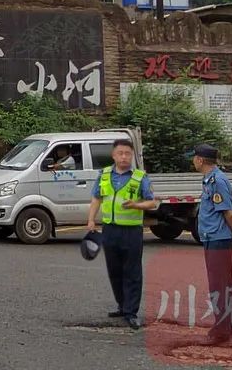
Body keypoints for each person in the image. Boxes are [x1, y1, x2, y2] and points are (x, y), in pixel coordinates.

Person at [87, 139, 156, 330]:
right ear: (114, 155)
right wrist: (91, 219)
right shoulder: (104, 175)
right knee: (114, 270)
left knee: (132, 272)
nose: (124, 157)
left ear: (132, 156)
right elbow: (96, 198)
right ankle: (122, 305)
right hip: (110, 229)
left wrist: (136, 205)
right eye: (120, 153)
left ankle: (131, 312)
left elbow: (152, 203)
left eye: (127, 153)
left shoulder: (140, 177)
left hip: (132, 231)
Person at [192, 143, 232, 345]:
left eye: (194, 157)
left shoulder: (217, 181)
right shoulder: (210, 179)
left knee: (218, 286)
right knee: (224, 284)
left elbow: (228, 212)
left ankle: (222, 331)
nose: (193, 161)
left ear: (200, 160)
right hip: (213, 237)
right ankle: (231, 327)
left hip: (218, 239)